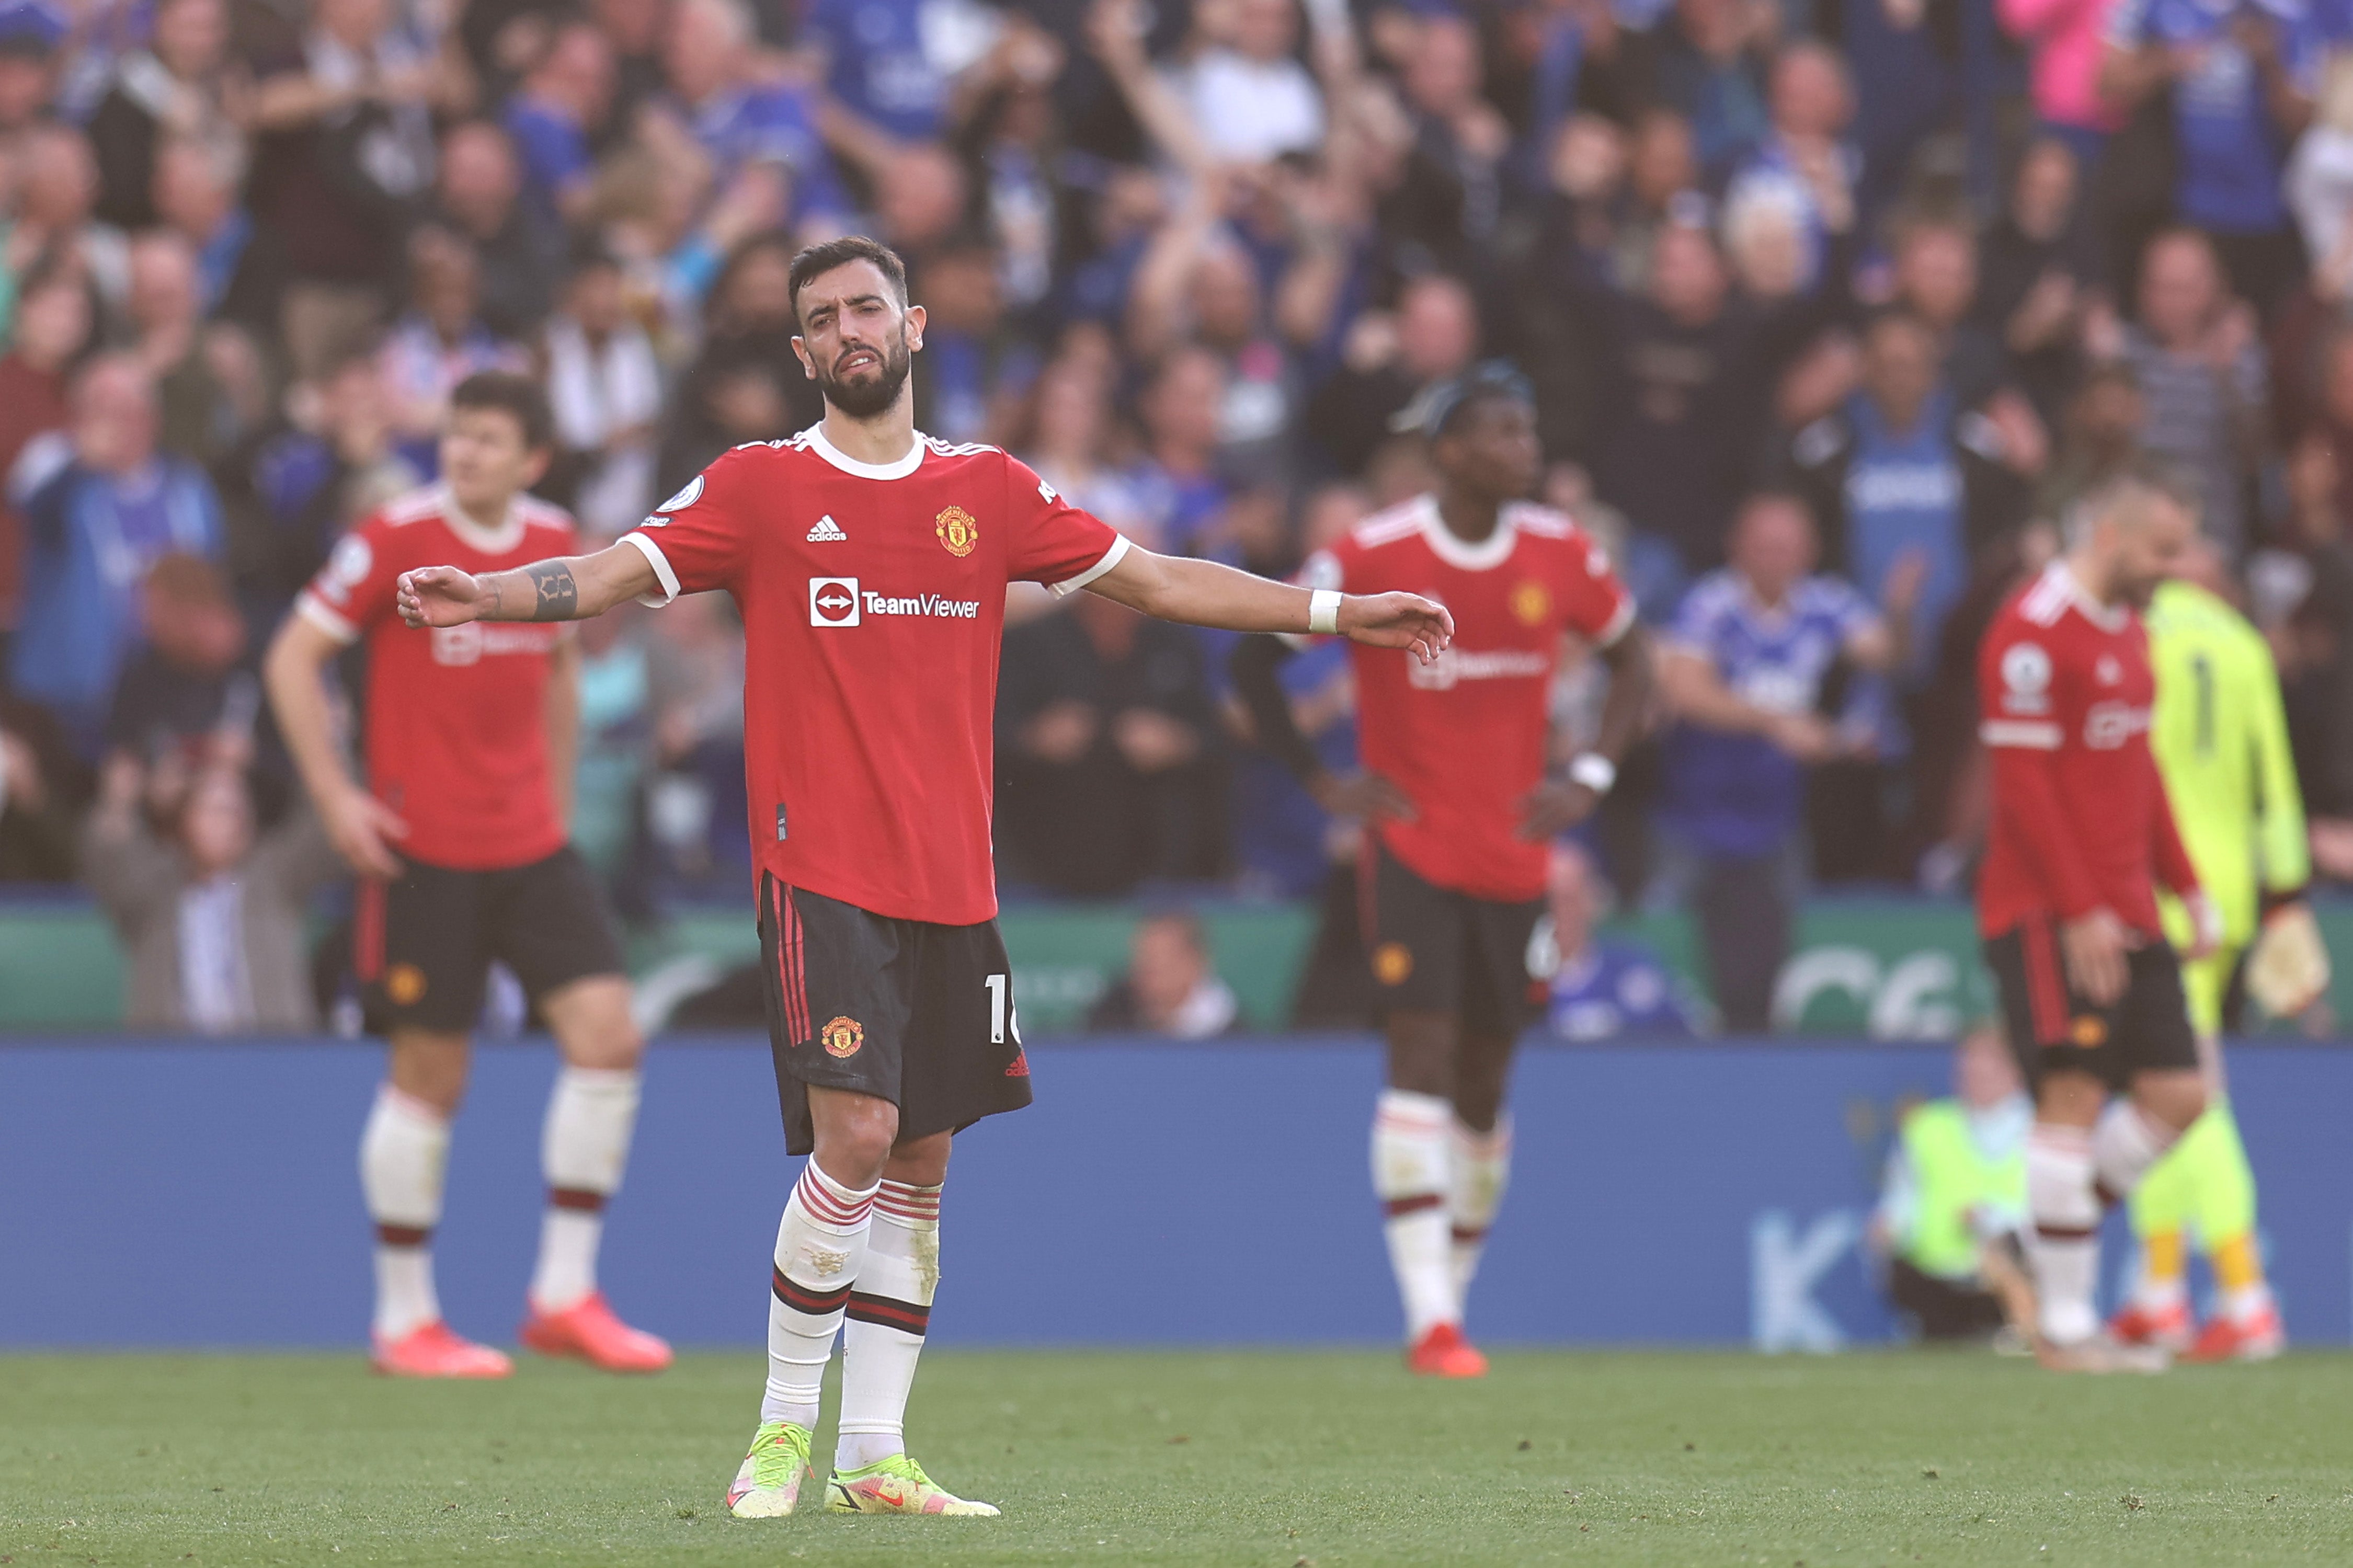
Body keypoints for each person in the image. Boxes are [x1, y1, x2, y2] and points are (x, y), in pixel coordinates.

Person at [389, 236, 1450, 1517]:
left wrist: (1340, 614)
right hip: (818, 866)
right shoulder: (759, 487)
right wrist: (486, 595)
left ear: (915, 325)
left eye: (865, 307)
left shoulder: (989, 491)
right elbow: (613, 570)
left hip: (954, 882)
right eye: (821, 316)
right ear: (799, 351)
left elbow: (1161, 579)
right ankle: (780, 1430)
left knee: (924, 1164)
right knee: (857, 1131)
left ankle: (872, 1454)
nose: (847, 328)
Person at [1230, 362, 1653, 1377]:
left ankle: (1449, 1302)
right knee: (1419, 1052)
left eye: (1530, 430)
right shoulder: (1377, 552)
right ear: (1451, 452)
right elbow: (1254, 656)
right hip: (1412, 847)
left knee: (1485, 1081)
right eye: (1506, 433)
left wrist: (1590, 771)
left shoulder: (1563, 553)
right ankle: (1431, 1319)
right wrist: (1320, 778)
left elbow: (1639, 658)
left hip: (1517, 855)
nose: (1529, 449)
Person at [263, 372, 670, 1380]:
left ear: (531, 459)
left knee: (610, 1038)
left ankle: (564, 1293)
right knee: (430, 1075)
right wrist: (336, 797)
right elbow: (291, 657)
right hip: (423, 852)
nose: (465, 453)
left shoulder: (554, 535)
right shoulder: (393, 536)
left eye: (489, 440)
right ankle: (405, 1318)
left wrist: (560, 803)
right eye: (456, 435)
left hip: (531, 846)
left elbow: (563, 669)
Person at [1975, 464, 2219, 1371]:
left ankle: (2027, 1246)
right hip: (2046, 907)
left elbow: (2138, 768)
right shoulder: (2031, 634)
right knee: (2072, 1094)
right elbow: (2023, 788)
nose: (2176, 565)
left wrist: (2184, 883)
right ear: (2112, 536)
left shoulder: (2129, 627)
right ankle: (2067, 1328)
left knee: (2179, 1095)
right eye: (2163, 548)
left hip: (2129, 903)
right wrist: (2077, 908)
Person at [2108, 543, 2320, 1361]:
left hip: (2152, 878)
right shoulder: (2239, 641)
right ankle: (2159, 1290)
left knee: (2190, 1090)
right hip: (2225, 888)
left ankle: (2244, 1295)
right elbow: (2276, 779)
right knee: (2155, 1081)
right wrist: (2287, 892)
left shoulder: (2130, 633)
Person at [1655, 494, 1897, 1029]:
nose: (1774, 558)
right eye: (1762, 546)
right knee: (1670, 949)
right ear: (1735, 547)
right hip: (1694, 817)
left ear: (1810, 551)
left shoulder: (1825, 603)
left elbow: (1884, 653)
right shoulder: (1711, 603)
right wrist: (1776, 721)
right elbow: (1687, 690)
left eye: (1786, 546)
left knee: (1777, 958)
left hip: (1776, 821)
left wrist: (1900, 611)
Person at [1871, 1025, 2032, 1341]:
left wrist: (1991, 1218)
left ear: (2015, 1071)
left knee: (2009, 1255)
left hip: (2010, 1266)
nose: (1974, 1073)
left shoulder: (2040, 1128)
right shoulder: (1928, 1126)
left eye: (1988, 1064)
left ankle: (2021, 1327)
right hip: (1935, 1274)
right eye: (1968, 1064)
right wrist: (1890, 1224)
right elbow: (1903, 1197)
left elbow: (2053, 1209)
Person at [1532, 840, 1697, 1040]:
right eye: (1544, 901)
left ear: (1591, 902)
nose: (1554, 912)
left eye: (1566, 900)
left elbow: (1690, 1045)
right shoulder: (1513, 983)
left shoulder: (1634, 971)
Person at [1082, 909, 1240, 1036]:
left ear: (1194, 963)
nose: (1143, 971)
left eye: (1157, 960)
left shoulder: (1236, 1034)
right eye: (1142, 958)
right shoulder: (1110, 1015)